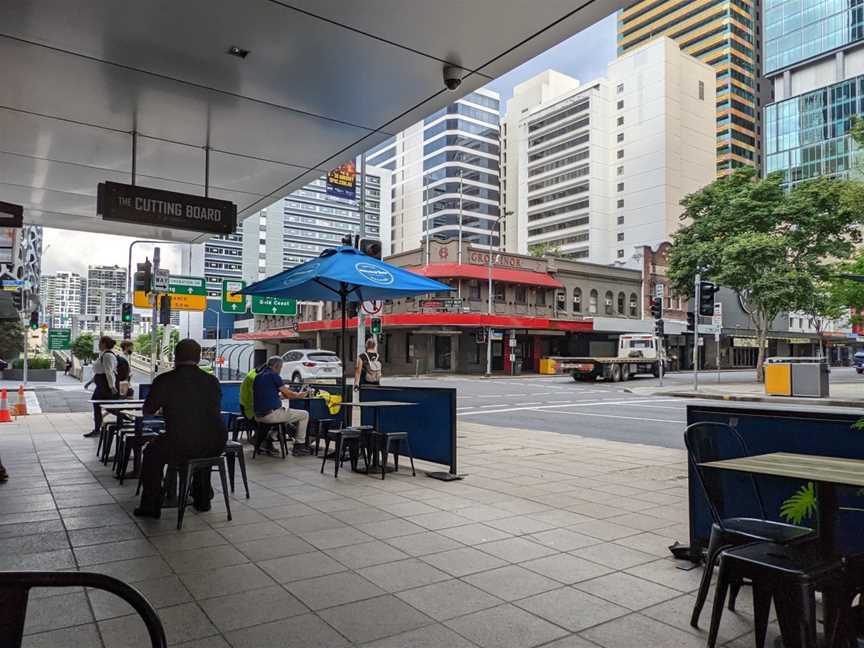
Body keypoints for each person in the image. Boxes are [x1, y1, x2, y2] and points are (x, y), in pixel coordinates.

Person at [134, 339, 227, 519]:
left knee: (152, 453)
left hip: (183, 442)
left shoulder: (165, 380)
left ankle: (151, 505)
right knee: (202, 452)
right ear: (199, 357)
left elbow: (148, 410)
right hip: (216, 441)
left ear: (176, 356)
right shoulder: (212, 380)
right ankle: (202, 499)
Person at [253, 356, 311, 457]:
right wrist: (300, 395)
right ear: (276, 366)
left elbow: (266, 394)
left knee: (285, 416)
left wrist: (279, 397)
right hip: (271, 415)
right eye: (280, 368)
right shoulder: (273, 375)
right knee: (304, 414)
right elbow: (289, 394)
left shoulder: (258, 376)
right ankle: (299, 446)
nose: (280, 370)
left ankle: (268, 439)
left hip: (258, 415)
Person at [83, 336, 119, 438]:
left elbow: (109, 372)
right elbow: (100, 371)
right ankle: (97, 429)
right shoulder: (103, 355)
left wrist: (112, 386)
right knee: (99, 406)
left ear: (104, 344)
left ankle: (129, 418)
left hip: (106, 386)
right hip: (102, 385)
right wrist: (90, 382)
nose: (98, 345)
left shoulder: (108, 356)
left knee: (109, 407)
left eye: (100, 343)